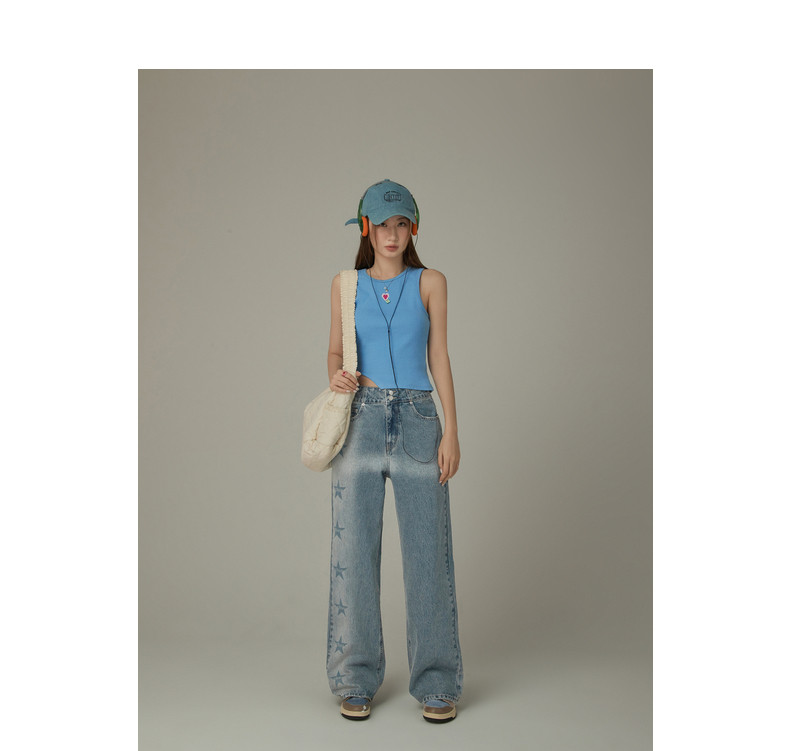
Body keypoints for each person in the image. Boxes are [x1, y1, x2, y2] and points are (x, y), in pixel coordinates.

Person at [325, 179, 463, 724]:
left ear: (413, 229)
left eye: (401, 223)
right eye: (382, 224)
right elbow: (335, 351)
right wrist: (336, 377)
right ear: (365, 228)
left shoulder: (431, 282)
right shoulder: (345, 285)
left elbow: (439, 354)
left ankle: (437, 683)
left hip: (418, 421)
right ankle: (354, 678)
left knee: (428, 555)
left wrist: (452, 430)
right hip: (360, 420)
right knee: (354, 554)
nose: (391, 234)